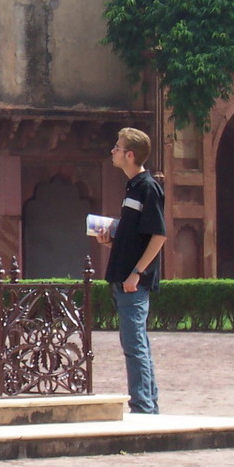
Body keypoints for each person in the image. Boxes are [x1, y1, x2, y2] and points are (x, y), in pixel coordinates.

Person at [96, 128, 167, 414]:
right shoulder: (133, 188)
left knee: (134, 345)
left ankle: (143, 408)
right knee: (137, 344)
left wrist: (136, 273)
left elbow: (159, 236)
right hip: (124, 276)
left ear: (130, 154)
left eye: (117, 147)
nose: (112, 151)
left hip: (132, 281)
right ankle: (148, 405)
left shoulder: (147, 187)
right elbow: (134, 238)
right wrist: (110, 240)